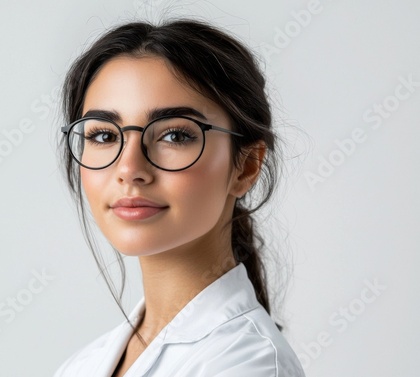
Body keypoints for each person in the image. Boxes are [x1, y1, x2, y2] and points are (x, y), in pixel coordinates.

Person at [54, 18, 305, 377]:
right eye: (104, 136)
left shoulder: (251, 365)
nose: (129, 168)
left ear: (247, 166)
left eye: (174, 135)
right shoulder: (83, 365)